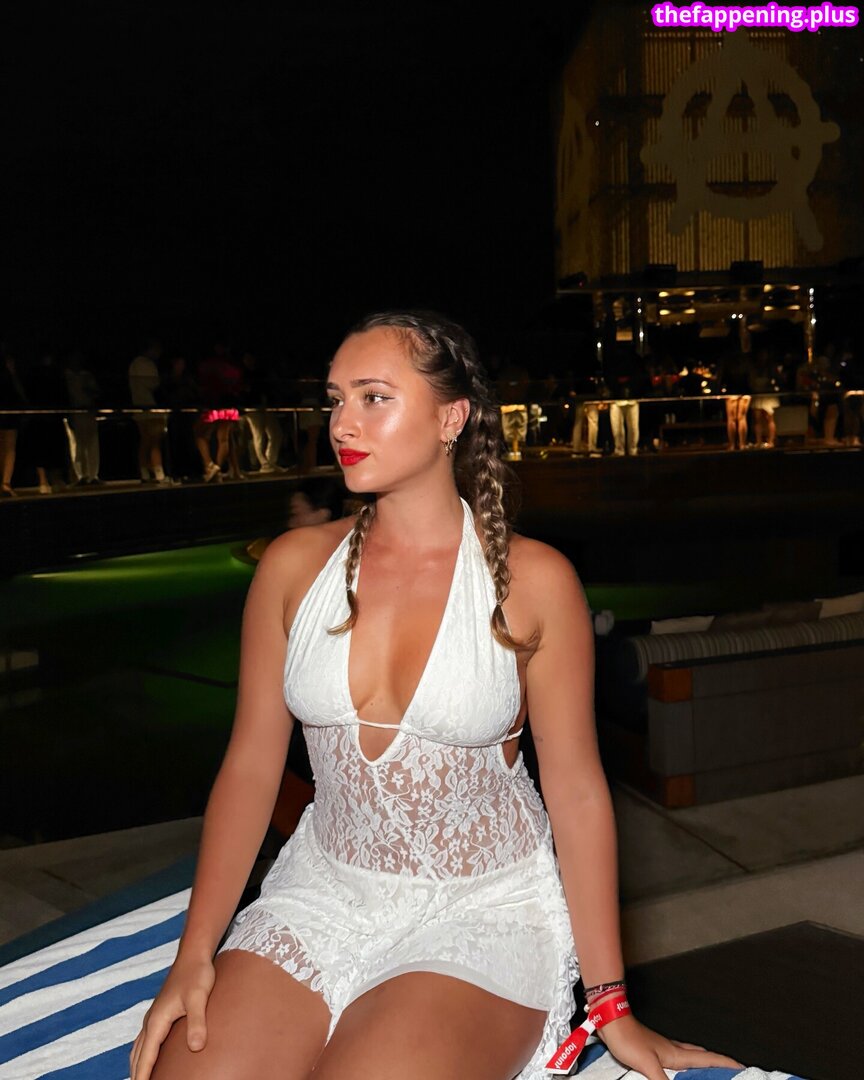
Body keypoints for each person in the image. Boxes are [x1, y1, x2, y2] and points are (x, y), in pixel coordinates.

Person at [130, 311, 739, 1080]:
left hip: (480, 912)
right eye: (335, 399)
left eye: (374, 398)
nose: (342, 423)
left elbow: (578, 791)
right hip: (322, 893)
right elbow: (251, 766)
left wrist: (611, 1005)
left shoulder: (534, 582)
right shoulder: (292, 568)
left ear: (452, 418)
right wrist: (193, 956)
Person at [129, 339, 170, 483]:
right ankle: (159, 472)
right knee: (154, 441)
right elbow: (154, 385)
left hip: (139, 407)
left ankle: (145, 471)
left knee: (145, 441)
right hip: (151, 407)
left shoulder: (134, 364)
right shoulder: (147, 364)